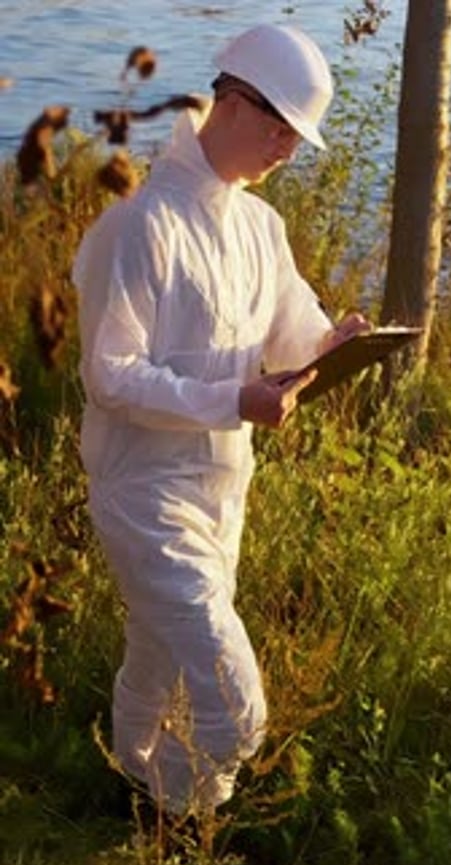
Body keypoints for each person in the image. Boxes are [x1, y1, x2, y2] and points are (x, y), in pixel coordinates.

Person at [72, 22, 369, 819]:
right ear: (230, 102)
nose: (288, 149)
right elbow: (109, 374)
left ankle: (135, 775)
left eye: (297, 136)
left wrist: (335, 343)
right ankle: (194, 815)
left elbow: (293, 334)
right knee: (236, 700)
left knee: (161, 652)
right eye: (278, 128)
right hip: (142, 492)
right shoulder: (136, 224)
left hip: (221, 489)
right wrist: (234, 400)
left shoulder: (259, 228)